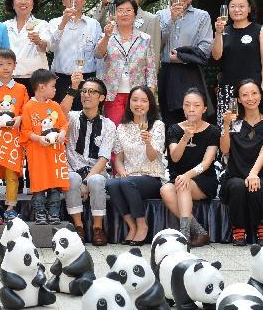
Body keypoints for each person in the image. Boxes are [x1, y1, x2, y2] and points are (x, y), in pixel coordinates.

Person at [219, 79, 263, 246]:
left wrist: (253, 174)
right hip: (235, 174)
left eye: (254, 93)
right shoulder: (234, 123)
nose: (250, 98)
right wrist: (225, 125)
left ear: (261, 95)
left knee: (259, 185)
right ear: (238, 99)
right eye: (244, 95)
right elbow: (224, 150)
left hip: (261, 174)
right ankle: (238, 228)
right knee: (237, 186)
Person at [159, 88, 219, 247]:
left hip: (204, 179)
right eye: (187, 105)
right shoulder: (174, 129)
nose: (192, 109)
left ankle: (184, 235)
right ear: (183, 107)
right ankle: (199, 231)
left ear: (204, 108)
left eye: (196, 105)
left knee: (182, 184)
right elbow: (174, 157)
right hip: (179, 177)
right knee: (165, 189)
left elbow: (206, 163)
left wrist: (187, 176)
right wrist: (185, 137)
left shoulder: (212, 131)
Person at [107, 86, 166, 246]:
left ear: (150, 104)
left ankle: (142, 225)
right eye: (135, 100)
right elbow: (118, 159)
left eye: (144, 100)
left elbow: (154, 157)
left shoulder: (157, 125)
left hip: (151, 177)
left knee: (127, 182)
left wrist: (148, 143)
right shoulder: (122, 127)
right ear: (129, 103)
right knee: (111, 183)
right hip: (129, 177)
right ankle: (131, 226)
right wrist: (122, 171)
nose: (139, 104)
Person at [61, 73, 114, 245]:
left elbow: (104, 157)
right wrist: (73, 88)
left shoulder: (108, 124)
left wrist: (87, 180)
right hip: (72, 168)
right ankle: (79, 227)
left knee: (97, 180)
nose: (86, 95)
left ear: (101, 97)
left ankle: (97, 229)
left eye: (92, 92)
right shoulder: (72, 117)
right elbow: (61, 111)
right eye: (84, 91)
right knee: (71, 178)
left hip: (95, 170)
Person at [156, 0, 213, 125]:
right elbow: (156, 46)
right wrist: (172, 20)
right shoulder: (160, 15)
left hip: (190, 71)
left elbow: (206, 48)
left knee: (193, 115)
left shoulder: (202, 16)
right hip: (167, 72)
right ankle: (173, 147)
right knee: (169, 119)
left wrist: (181, 57)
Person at [211, 0, 263, 123]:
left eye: (241, 6)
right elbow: (216, 56)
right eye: (232, 6)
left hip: (252, 89)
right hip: (228, 89)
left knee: (253, 126)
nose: (237, 10)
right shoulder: (224, 31)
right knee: (229, 129)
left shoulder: (259, 30)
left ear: (249, 8)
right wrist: (218, 33)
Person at [0, 49, 29, 226]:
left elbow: (26, 110)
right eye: (1, 64)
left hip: (12, 138)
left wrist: (19, 118)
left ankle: (11, 208)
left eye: (9, 64)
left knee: (12, 174)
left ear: (15, 65)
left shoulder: (21, 88)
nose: (5, 68)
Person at [94, 0, 157, 124]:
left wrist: (150, 93)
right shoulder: (106, 36)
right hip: (113, 93)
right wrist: (106, 37)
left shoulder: (145, 38)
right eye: (120, 10)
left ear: (135, 14)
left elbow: (150, 68)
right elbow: (98, 54)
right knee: (114, 129)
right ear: (114, 14)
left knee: (136, 130)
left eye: (128, 10)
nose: (124, 14)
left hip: (138, 93)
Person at [21, 68, 69, 225]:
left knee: (55, 185)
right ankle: (40, 212)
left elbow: (63, 124)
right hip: (38, 153)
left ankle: (54, 212)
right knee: (39, 184)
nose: (55, 89)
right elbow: (26, 131)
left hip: (54, 153)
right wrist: (39, 138)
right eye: (53, 86)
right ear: (42, 87)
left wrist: (62, 133)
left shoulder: (55, 106)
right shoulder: (28, 107)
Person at [49, 0, 102, 110]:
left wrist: (98, 81)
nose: (74, 0)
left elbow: (99, 54)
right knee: (63, 118)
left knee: (87, 118)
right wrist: (63, 23)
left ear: (84, 0)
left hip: (87, 79)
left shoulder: (93, 24)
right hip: (62, 80)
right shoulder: (54, 22)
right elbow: (51, 48)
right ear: (63, 1)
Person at [91, 0, 161, 67]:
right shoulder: (112, 17)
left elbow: (153, 54)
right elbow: (94, 27)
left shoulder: (151, 19)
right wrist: (104, 4)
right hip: (110, 72)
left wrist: (151, 79)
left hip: (136, 75)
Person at [2, 0, 51, 90]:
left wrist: (39, 41)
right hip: (9, 78)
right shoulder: (4, 26)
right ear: (13, 3)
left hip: (36, 79)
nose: (23, 2)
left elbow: (46, 47)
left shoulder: (42, 24)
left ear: (33, 3)